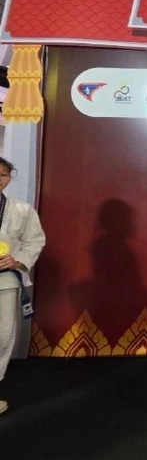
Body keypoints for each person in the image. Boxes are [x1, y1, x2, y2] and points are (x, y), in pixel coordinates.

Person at [0, 157, 46, 416]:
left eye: (3, 174)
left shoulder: (22, 210)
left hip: (5, 282)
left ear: (9, 178)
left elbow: (34, 241)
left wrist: (17, 260)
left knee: (3, 336)